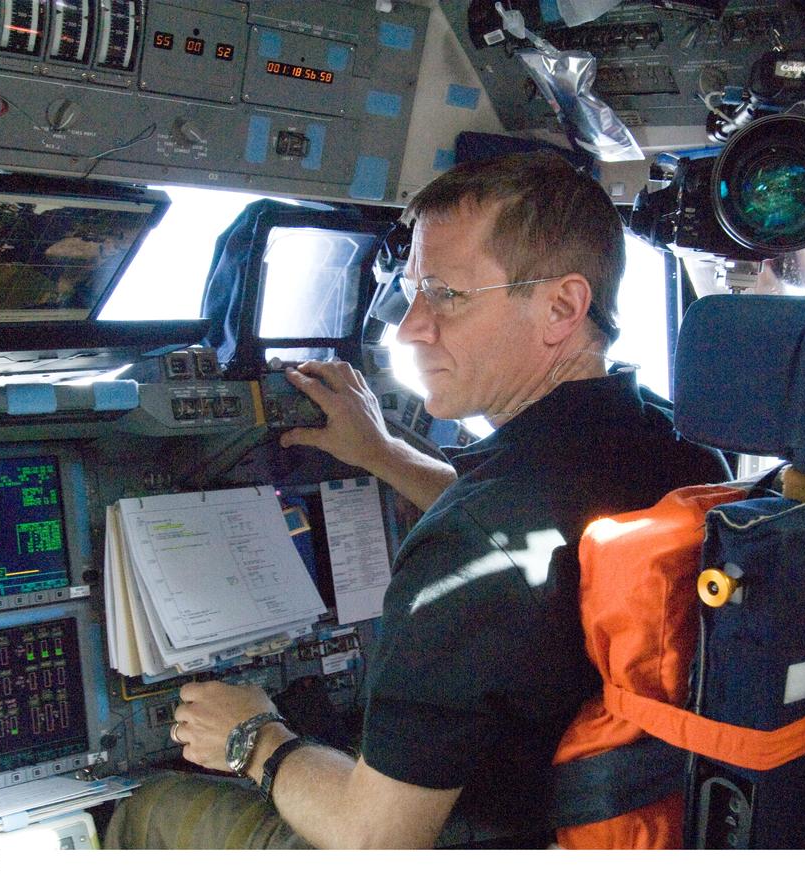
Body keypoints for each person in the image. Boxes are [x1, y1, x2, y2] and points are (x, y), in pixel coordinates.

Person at [103, 150, 729, 849]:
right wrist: (382, 454)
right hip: (635, 817)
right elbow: (540, 544)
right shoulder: (678, 447)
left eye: (447, 295)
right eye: (412, 291)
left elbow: (374, 839)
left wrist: (251, 737)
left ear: (561, 307)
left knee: (151, 807)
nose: (410, 327)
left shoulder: (472, 542)